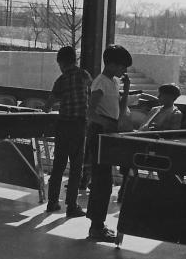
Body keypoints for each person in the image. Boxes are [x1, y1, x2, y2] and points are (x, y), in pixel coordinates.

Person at [86, 44, 132, 243]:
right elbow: (90, 113)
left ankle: (98, 224)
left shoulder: (113, 82)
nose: (124, 71)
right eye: (122, 66)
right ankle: (96, 226)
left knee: (105, 181)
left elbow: (120, 113)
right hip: (100, 134)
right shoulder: (100, 83)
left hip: (109, 132)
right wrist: (107, 124)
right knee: (102, 182)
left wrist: (127, 89)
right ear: (112, 64)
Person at [43, 46, 92, 217]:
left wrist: (53, 105)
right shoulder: (85, 76)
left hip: (63, 126)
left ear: (62, 63)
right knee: (76, 167)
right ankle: (72, 205)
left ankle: (52, 202)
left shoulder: (61, 80)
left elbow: (48, 106)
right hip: (79, 126)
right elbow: (88, 96)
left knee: (58, 166)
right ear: (75, 60)